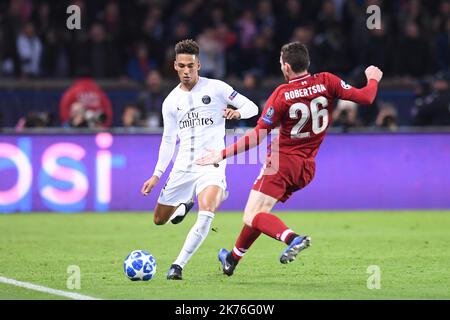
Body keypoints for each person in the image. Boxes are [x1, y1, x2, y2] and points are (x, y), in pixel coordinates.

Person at [196, 42, 383, 276]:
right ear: (307, 63)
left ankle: (293, 239)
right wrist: (373, 78)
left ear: (286, 67)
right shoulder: (327, 81)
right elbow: (366, 97)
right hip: (306, 168)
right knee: (260, 213)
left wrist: (221, 154)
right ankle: (232, 259)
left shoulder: (281, 95)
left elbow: (256, 138)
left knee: (252, 215)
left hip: (280, 163)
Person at [140, 39, 259, 280]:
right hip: (183, 167)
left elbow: (253, 107)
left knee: (208, 211)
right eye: (182, 66)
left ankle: (177, 265)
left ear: (199, 65)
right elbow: (168, 139)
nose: (186, 71)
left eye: (191, 66)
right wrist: (157, 174)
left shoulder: (217, 88)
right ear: (175, 66)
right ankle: (186, 202)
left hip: (211, 163)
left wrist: (237, 112)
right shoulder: (170, 102)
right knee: (159, 220)